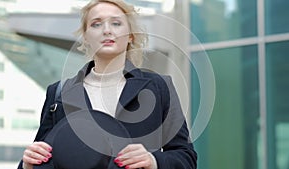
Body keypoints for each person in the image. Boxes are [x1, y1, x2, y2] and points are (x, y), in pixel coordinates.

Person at [17, 0, 197, 169]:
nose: (107, 30)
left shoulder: (158, 87)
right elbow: (42, 158)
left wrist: (153, 160)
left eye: (116, 23)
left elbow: (186, 158)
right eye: (96, 24)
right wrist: (27, 164)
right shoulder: (59, 92)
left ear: (130, 36)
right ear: (85, 37)